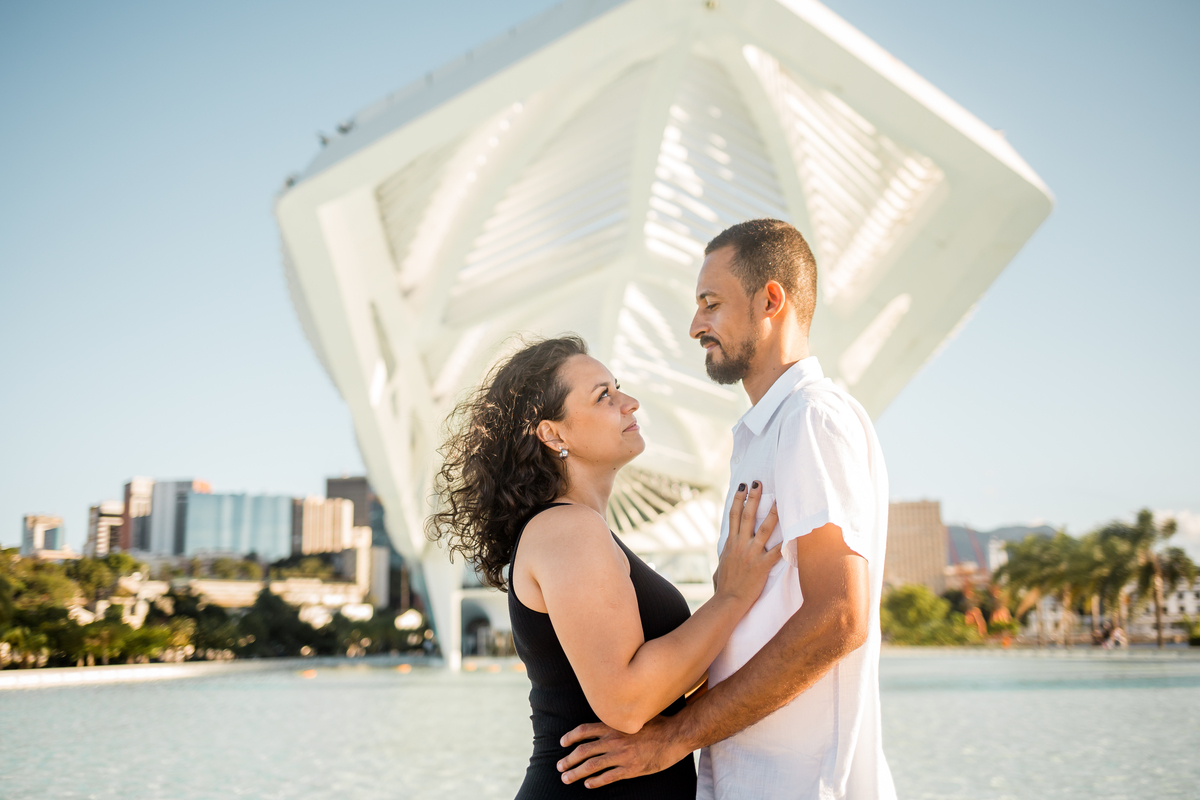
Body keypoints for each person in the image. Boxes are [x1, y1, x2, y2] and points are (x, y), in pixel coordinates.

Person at [557, 219, 898, 799]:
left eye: (711, 304)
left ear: (771, 300)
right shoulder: (760, 437)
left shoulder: (811, 419)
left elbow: (840, 616)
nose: (695, 326)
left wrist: (672, 739)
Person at [427, 334, 782, 799]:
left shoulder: (577, 530)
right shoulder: (567, 530)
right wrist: (732, 597)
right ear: (553, 434)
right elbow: (627, 702)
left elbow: (663, 689)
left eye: (618, 388)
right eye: (604, 396)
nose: (630, 403)